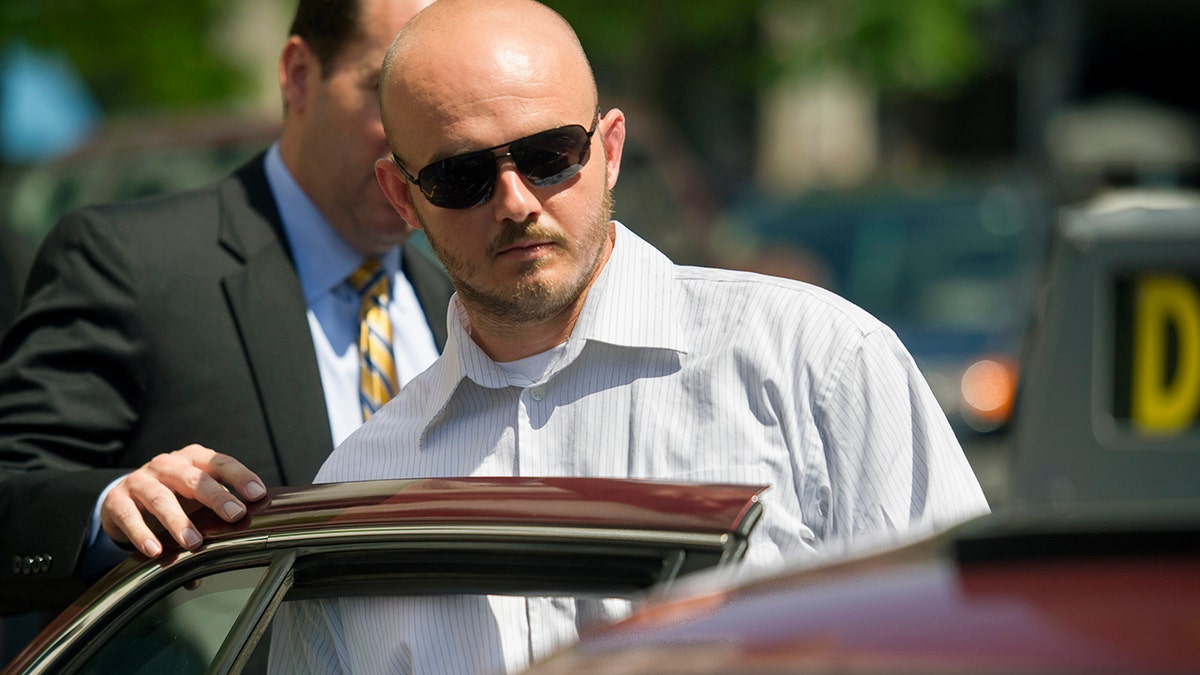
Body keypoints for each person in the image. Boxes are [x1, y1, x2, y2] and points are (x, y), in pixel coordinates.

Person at [266, 0, 991, 672]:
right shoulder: (360, 488)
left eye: (550, 154)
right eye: (462, 176)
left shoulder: (813, 364)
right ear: (404, 197)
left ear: (609, 148)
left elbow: (980, 641)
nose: (516, 202)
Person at [0, 0, 448, 616]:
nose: (421, 135)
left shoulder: (463, 306)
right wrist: (111, 507)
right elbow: (14, 490)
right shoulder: (131, 262)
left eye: (444, 101)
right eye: (387, 92)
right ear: (297, 74)